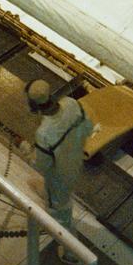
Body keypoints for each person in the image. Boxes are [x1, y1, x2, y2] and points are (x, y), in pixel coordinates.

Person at [26, 79, 94, 236]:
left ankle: (71, 251)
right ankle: (48, 193)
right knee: (51, 189)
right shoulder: (70, 103)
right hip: (76, 160)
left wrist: (26, 149)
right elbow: (88, 128)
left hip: (60, 177)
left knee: (58, 210)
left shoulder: (44, 133)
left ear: (34, 106)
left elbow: (42, 166)